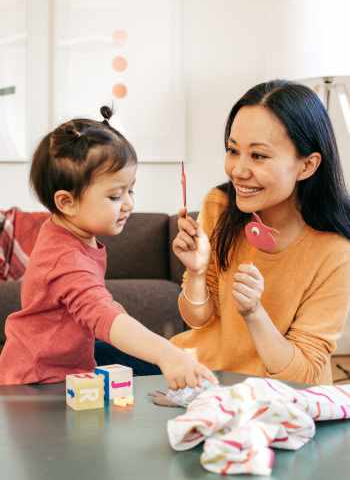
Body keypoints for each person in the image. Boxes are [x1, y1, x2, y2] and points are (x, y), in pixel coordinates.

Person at [0, 106, 217, 389]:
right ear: (66, 202)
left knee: (140, 360)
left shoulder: (66, 229)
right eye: (115, 195)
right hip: (37, 383)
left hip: (65, 367)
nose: (128, 204)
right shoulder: (65, 259)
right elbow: (104, 315)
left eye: (131, 190)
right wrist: (167, 355)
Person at [171, 80, 350, 385]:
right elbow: (197, 318)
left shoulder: (336, 249)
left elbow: (304, 373)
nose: (238, 171)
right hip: (206, 380)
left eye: (258, 156)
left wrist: (254, 312)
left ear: (307, 165)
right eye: (232, 150)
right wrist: (197, 273)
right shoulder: (220, 206)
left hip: (285, 399)